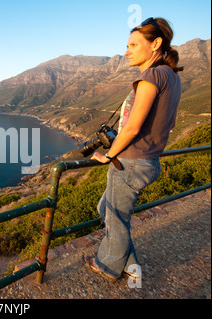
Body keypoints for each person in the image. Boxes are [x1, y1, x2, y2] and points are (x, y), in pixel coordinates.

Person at [83, 17, 183, 280]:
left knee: (115, 218)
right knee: (106, 209)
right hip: (149, 159)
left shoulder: (151, 76)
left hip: (130, 162)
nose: (126, 51)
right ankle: (129, 264)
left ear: (156, 44)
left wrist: (109, 155)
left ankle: (108, 266)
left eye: (133, 45)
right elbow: (167, 122)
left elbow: (132, 127)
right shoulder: (172, 76)